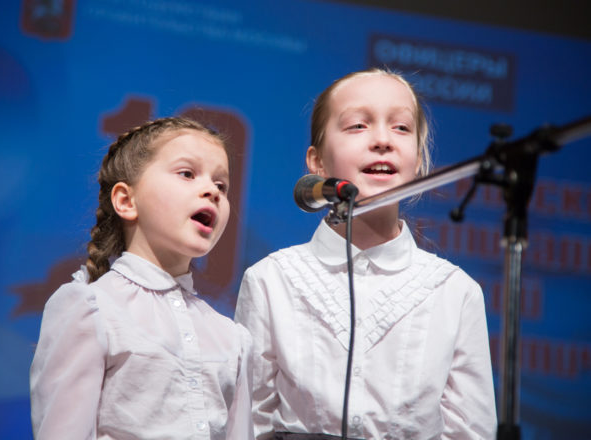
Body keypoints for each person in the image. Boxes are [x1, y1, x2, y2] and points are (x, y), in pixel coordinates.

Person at [234, 68, 497, 440]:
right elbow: (248, 425)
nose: (383, 140)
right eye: (358, 125)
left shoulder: (456, 292)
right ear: (317, 162)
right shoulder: (270, 280)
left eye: (401, 128)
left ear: (419, 161)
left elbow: (471, 432)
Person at [30, 117, 253, 439]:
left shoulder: (231, 337)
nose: (212, 192)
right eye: (187, 174)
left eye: (222, 185)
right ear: (126, 201)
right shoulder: (91, 308)